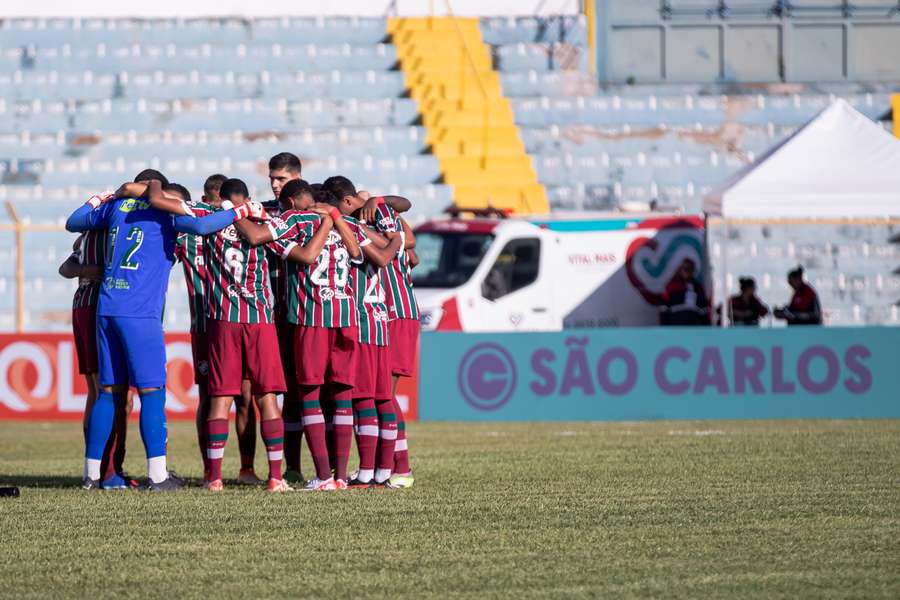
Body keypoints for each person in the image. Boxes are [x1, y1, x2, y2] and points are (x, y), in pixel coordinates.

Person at [65, 170, 250, 491]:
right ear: (161, 192)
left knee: (107, 393)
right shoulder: (165, 212)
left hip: (107, 308)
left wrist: (106, 195)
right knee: (152, 392)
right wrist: (242, 211)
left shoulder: (116, 209)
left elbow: (75, 221)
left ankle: (91, 476)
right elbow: (204, 226)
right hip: (140, 314)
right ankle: (159, 476)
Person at [231, 178, 355, 490]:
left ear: (288, 202)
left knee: (309, 395)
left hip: (312, 315)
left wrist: (235, 211)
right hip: (346, 313)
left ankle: (324, 476)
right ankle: (341, 476)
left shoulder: (293, 218)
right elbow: (359, 254)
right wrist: (334, 219)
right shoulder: (342, 221)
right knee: (341, 396)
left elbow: (258, 236)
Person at [179, 178, 290, 493]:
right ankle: (275, 477)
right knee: (266, 397)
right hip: (259, 319)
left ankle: (213, 477)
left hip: (223, 319)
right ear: (248, 198)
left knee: (220, 399)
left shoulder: (212, 224)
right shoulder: (263, 221)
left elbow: (186, 215)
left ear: (222, 201)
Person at [169, 178, 261, 486]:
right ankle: (212, 469)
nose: (214, 208)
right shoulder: (189, 233)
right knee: (210, 396)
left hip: (242, 319)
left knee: (247, 395)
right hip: (206, 327)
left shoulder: (246, 225)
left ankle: (247, 468)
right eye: (210, 201)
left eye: (219, 203)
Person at [327, 188, 403, 488]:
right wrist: (396, 237)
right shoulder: (370, 229)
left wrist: (395, 240)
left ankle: (369, 472)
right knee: (382, 398)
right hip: (379, 323)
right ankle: (381, 472)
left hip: (361, 323)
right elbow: (393, 246)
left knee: (362, 400)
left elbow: (383, 256)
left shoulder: (350, 229)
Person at [58, 224, 134, 489]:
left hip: (84, 305)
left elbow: (67, 267)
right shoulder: (115, 233)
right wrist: (94, 271)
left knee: (100, 391)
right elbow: (69, 268)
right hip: (100, 308)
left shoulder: (87, 235)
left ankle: (97, 469)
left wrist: (83, 269)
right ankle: (108, 471)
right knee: (111, 390)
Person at [359, 193, 418, 488]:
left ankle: (401, 468)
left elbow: (403, 203)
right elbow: (414, 253)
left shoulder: (372, 214)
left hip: (396, 313)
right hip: (394, 312)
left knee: (384, 394)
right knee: (382, 393)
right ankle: (391, 467)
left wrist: (377, 199)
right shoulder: (379, 221)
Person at [262, 153, 305, 484]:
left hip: (311, 314)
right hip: (273, 315)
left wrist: (374, 199)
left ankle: (330, 466)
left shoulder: (315, 205)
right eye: (272, 179)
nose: (275, 185)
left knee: (316, 391)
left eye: (281, 179)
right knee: (280, 392)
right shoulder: (263, 211)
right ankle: (289, 466)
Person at [661, 258, 709, 326]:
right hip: (676, 326)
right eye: (685, 268)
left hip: (694, 327)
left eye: (690, 269)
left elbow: (704, 310)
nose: (687, 271)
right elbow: (664, 308)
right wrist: (665, 328)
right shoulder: (671, 287)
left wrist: (706, 328)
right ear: (680, 270)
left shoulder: (698, 288)